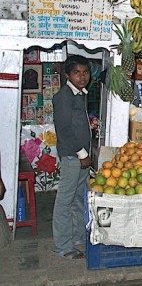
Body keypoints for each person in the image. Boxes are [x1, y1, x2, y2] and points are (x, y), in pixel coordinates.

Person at [52, 55, 92, 260]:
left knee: (78, 199)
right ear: (67, 74)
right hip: (72, 157)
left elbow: (75, 123)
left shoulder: (79, 94)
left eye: (85, 72)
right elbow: (64, 129)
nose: (82, 76)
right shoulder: (63, 97)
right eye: (77, 72)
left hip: (79, 157)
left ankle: (78, 238)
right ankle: (63, 246)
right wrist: (82, 154)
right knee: (65, 201)